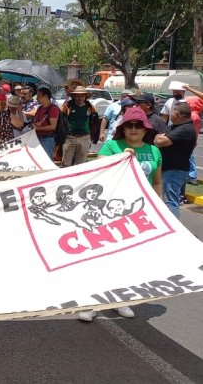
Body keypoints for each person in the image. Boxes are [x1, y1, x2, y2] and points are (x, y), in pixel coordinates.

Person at [77, 107, 162, 323]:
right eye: (130, 125)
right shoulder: (112, 146)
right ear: (123, 128)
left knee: (128, 259)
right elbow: (98, 168)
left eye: (138, 125)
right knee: (102, 258)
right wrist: (121, 157)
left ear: (145, 128)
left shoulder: (154, 151)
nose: (134, 129)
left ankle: (119, 299)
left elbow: (158, 181)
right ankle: (90, 302)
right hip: (110, 212)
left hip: (139, 213)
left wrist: (158, 208)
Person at [155, 102, 197, 217]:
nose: (170, 115)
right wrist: (160, 136)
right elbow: (162, 135)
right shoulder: (175, 126)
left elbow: (160, 141)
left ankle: (174, 230)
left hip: (175, 170)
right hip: (169, 168)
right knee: (166, 200)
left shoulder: (185, 129)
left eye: (172, 112)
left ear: (178, 115)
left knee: (170, 202)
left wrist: (159, 137)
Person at [60, 86, 97, 167]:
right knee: (66, 163)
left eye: (82, 96)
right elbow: (61, 119)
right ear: (74, 96)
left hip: (85, 137)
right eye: (77, 96)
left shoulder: (90, 107)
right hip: (70, 138)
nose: (80, 98)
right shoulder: (68, 106)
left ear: (85, 97)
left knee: (81, 164)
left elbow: (94, 122)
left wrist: (93, 136)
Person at [32, 87, 59, 157]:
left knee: (46, 161)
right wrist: (34, 124)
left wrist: (38, 128)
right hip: (39, 138)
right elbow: (36, 121)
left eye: (38, 96)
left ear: (46, 96)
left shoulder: (53, 109)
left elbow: (53, 127)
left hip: (48, 139)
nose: (37, 98)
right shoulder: (40, 108)